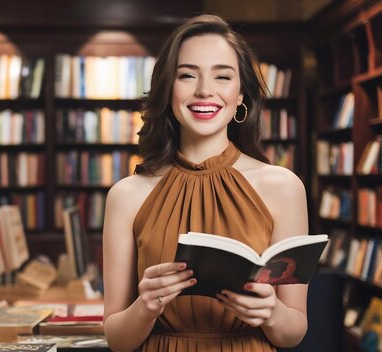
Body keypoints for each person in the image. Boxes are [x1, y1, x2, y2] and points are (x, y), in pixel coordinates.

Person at [102, 14, 309, 351]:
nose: (204, 90)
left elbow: (294, 331)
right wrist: (145, 308)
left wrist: (271, 312)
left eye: (222, 76)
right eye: (187, 75)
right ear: (168, 90)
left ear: (241, 94)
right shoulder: (126, 195)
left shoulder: (283, 187)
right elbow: (117, 340)